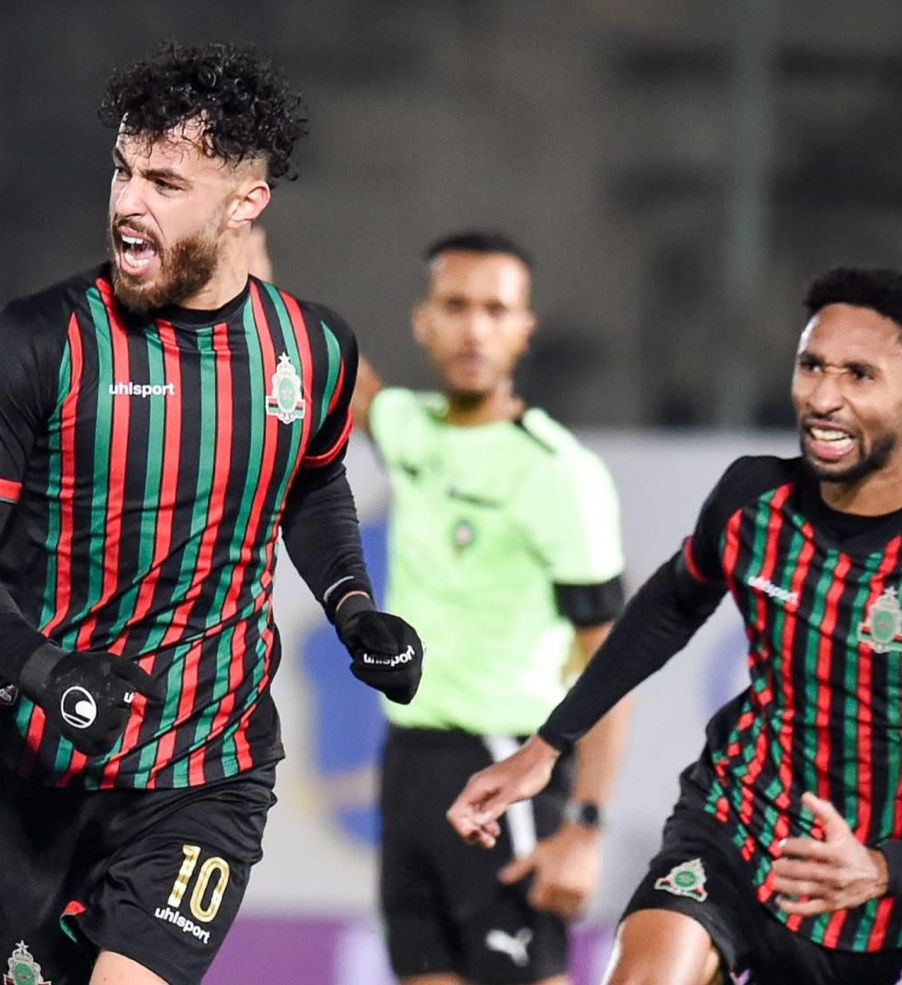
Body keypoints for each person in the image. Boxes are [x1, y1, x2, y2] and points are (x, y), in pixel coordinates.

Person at [0, 43, 424, 985]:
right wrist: (48, 669)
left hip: (208, 767)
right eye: (122, 171)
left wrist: (355, 605)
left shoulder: (312, 350)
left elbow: (312, 482)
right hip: (38, 775)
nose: (128, 203)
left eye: (164, 182)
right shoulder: (35, 341)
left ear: (245, 203)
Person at [446, 268, 902, 985]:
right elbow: (670, 607)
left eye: (860, 375)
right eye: (812, 366)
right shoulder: (755, 500)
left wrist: (884, 867)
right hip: (730, 829)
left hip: (856, 907)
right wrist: (548, 744)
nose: (823, 397)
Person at [349, 232, 630, 985]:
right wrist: (242, 264)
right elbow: (348, 385)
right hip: (408, 763)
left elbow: (612, 663)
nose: (475, 328)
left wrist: (586, 826)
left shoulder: (559, 474)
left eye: (496, 310)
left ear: (524, 328)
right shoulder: (412, 431)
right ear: (423, 321)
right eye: (456, 305)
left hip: (504, 763)